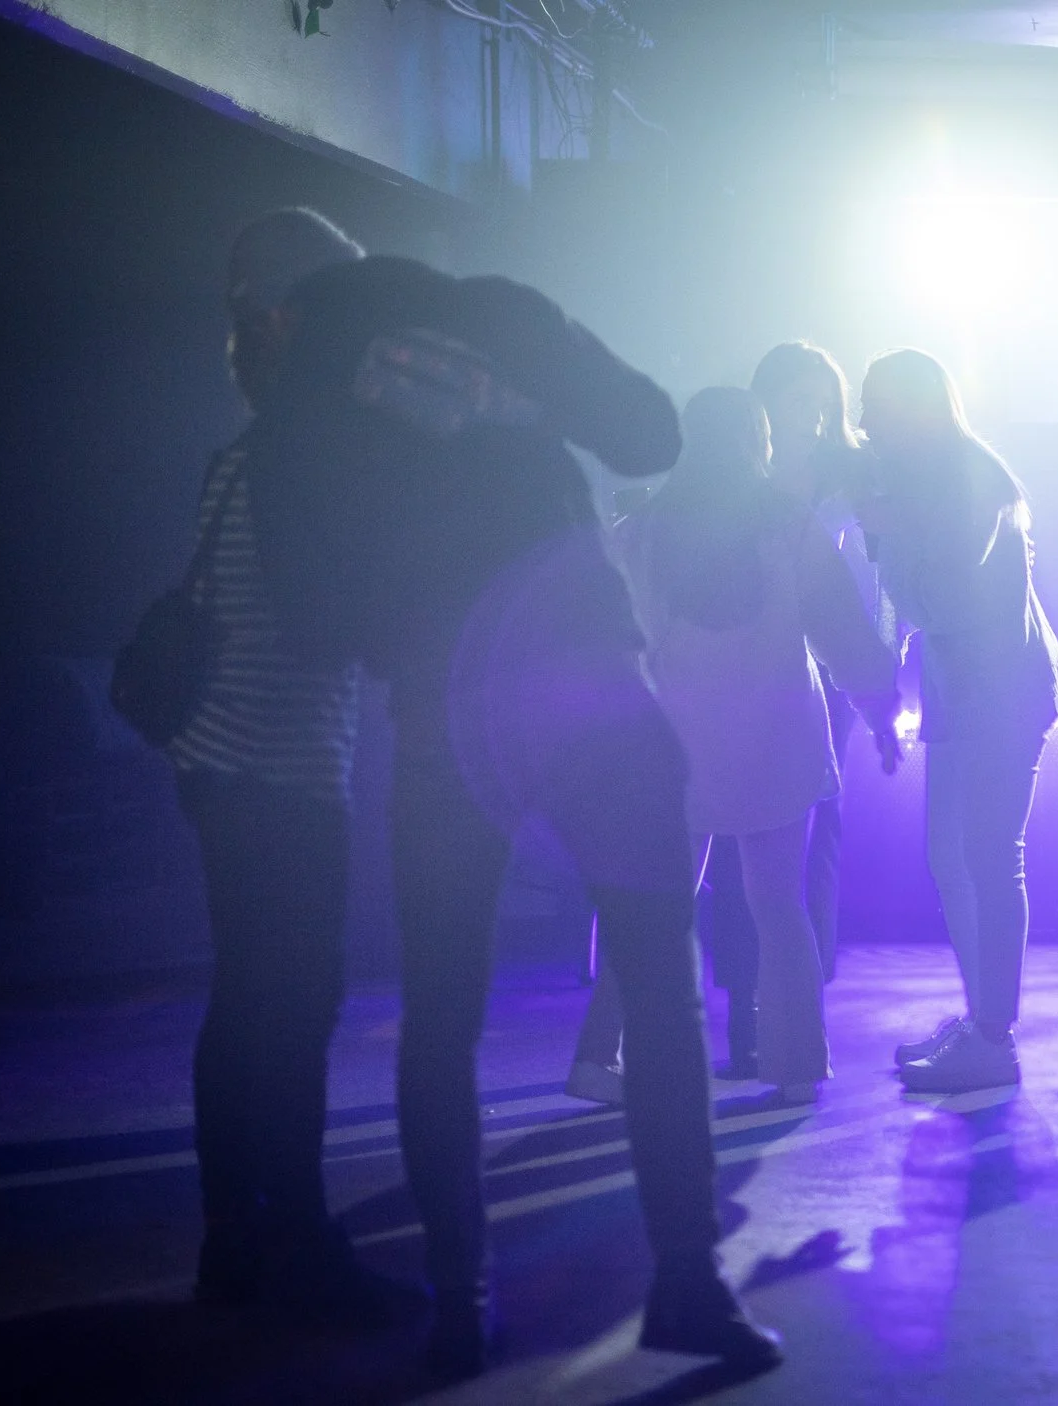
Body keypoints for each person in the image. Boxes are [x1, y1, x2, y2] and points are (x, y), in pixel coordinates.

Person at [242, 248, 782, 1378]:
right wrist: (519, 398)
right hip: (587, 676)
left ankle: (460, 1304)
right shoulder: (500, 314)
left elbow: (304, 614)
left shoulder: (303, 401)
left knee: (443, 1015)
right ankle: (689, 1282)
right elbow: (653, 435)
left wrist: (403, 596)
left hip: (445, 709)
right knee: (660, 989)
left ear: (301, 310)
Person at [160, 208, 395, 1324]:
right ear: (291, 317)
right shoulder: (305, 453)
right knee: (294, 1005)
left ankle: (234, 1238)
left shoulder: (244, 450)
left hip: (219, 762)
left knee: (247, 1001)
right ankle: (294, 1237)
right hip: (280, 771)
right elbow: (318, 621)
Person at [607, 386, 900, 1102]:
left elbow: (607, 642)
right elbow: (844, 634)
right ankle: (796, 1065)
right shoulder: (790, 528)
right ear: (755, 443)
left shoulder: (640, 532)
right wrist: (879, 706)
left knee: (654, 911)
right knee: (779, 908)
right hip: (775, 741)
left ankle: (608, 1057)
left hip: (672, 746)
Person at [859, 349, 1058, 1095]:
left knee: (986, 856)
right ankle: (984, 1019)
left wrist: (884, 536)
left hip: (1001, 689)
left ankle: (993, 1035)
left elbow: (939, 599)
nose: (866, 424)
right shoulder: (931, 476)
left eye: (877, 409)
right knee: (953, 856)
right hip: (965, 689)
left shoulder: (969, 480)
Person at [750, 341, 889, 981]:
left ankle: (811, 971)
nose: (811, 415)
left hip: (831, 664)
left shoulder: (852, 473)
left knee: (818, 809)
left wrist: (876, 663)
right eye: (797, 400)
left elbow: (877, 573)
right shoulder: (747, 474)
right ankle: (767, 972)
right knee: (757, 812)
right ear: (766, 404)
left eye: (821, 402)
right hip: (756, 658)